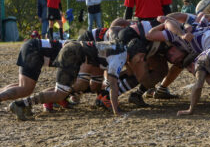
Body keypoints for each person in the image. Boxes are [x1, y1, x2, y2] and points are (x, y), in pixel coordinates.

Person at [9, 38, 147, 120]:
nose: (141, 60)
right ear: (134, 51)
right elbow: (113, 84)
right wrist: (117, 110)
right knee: (60, 93)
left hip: (74, 52)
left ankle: (25, 104)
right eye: (141, 56)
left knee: (69, 89)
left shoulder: (121, 50)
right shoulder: (120, 56)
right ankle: (21, 104)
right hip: (74, 54)